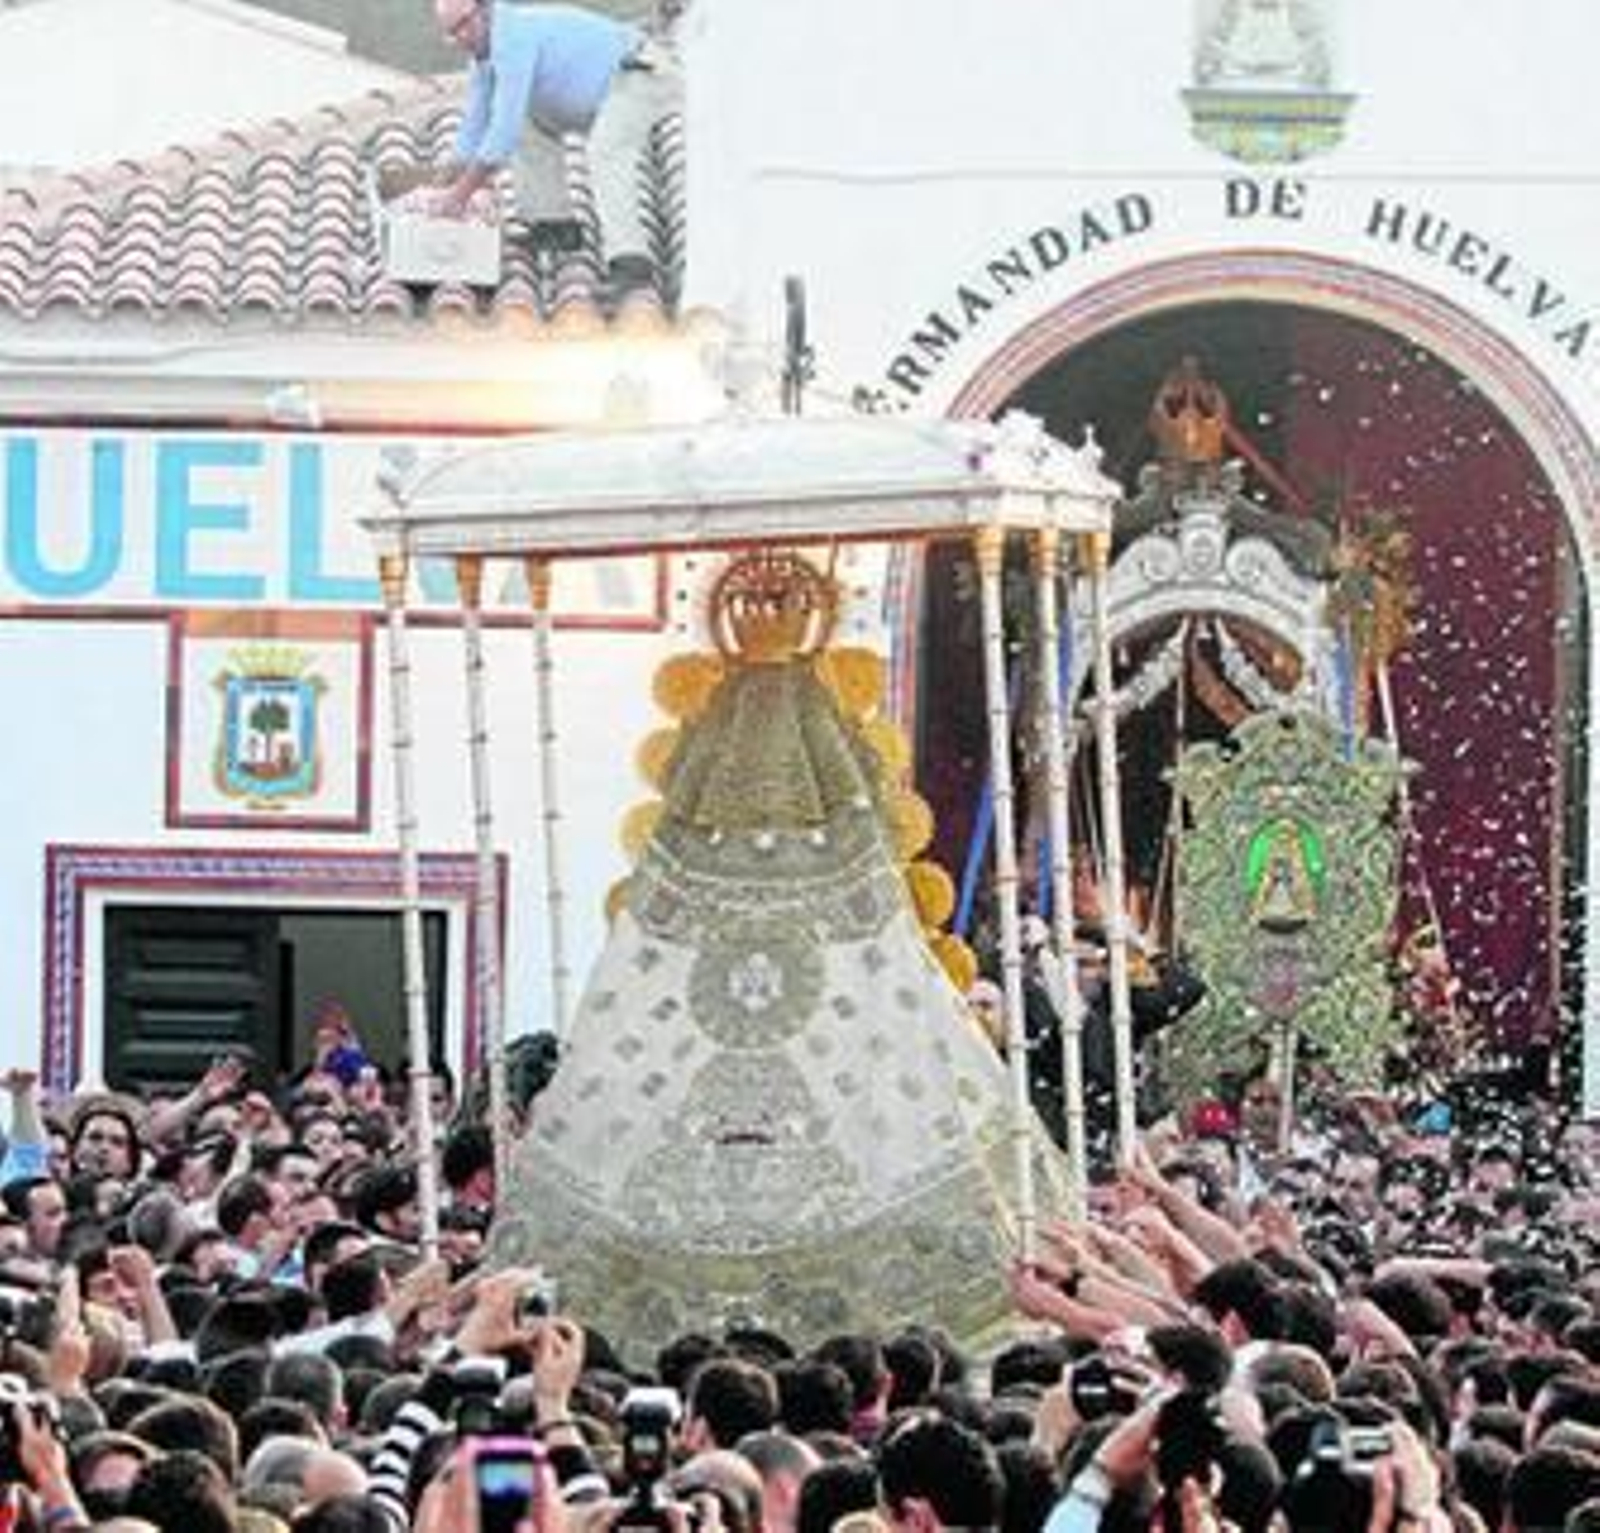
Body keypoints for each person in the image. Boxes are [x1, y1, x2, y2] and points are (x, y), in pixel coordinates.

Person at [432, 0, 681, 299]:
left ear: (484, 10)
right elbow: (475, 121)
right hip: (599, 97)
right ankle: (554, 226)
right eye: (451, 33)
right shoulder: (483, 56)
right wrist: (445, 180)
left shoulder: (513, 37)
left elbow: (502, 133)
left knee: (606, 150)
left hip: (639, 75)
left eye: (463, 24)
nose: (460, 37)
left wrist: (460, 195)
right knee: (527, 122)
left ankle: (632, 263)